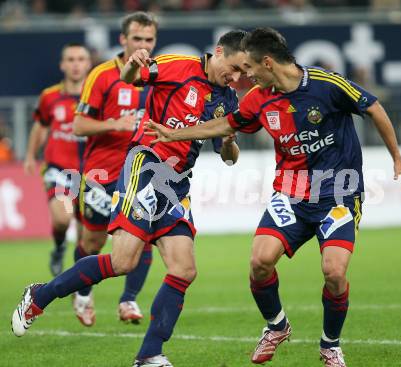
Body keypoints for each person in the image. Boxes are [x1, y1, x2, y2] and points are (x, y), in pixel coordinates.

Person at [143, 27, 401, 367]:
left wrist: (398, 159)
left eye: (250, 69)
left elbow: (373, 107)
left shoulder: (326, 85)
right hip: (290, 193)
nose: (245, 76)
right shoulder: (259, 98)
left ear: (267, 63)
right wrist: (175, 132)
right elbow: (226, 126)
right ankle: (277, 326)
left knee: (333, 272)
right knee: (259, 262)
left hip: (339, 194)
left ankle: (330, 344)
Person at [12, 29, 246, 367]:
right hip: (145, 164)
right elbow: (132, 78)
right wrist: (133, 65)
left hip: (177, 183)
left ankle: (149, 354)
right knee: (123, 262)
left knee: (184, 269)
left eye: (243, 73)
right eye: (235, 68)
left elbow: (229, 157)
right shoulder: (178, 65)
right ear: (219, 51)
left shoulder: (227, 99)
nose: (236, 77)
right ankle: (40, 295)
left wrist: (227, 142)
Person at [71, 11, 159, 326]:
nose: (144, 45)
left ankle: (129, 300)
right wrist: (115, 123)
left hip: (137, 173)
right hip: (99, 174)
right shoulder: (101, 75)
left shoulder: (159, 75)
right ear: (123, 40)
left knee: (143, 236)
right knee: (92, 242)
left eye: (149, 39)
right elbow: (78, 124)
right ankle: (82, 292)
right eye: (137, 38)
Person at [24, 43, 91, 277]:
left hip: (91, 171)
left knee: (85, 237)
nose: (75, 64)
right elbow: (40, 126)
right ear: (62, 65)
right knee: (63, 219)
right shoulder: (50, 96)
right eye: (71, 60)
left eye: (80, 59)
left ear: (88, 63)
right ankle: (60, 245)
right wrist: (31, 155)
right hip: (59, 169)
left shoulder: (97, 95)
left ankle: (79, 282)